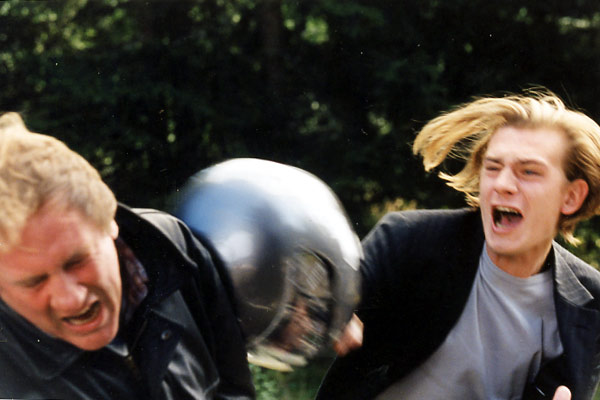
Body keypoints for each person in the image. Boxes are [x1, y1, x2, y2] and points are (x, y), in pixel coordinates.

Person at [316, 91, 600, 399]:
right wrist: (324, 309)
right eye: (493, 167)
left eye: (529, 171)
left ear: (571, 196)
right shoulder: (409, 239)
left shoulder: (590, 305)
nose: (502, 184)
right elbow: (324, 295)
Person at [0, 112, 255, 399]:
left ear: (110, 221)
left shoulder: (170, 246)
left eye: (77, 261)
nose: (70, 299)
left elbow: (235, 390)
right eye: (33, 282)